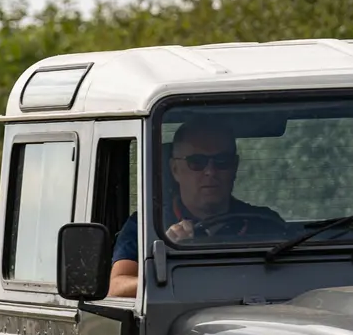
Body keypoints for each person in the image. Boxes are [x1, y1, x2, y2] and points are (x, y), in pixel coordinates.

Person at [108, 119, 285, 297]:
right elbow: (116, 288)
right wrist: (165, 264)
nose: (210, 171)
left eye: (222, 161)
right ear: (175, 169)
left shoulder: (266, 224)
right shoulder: (147, 225)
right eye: (197, 162)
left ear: (235, 166)